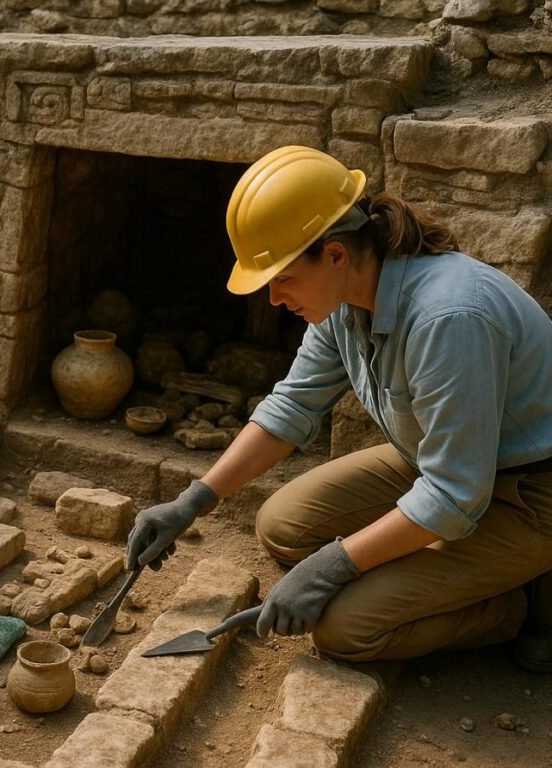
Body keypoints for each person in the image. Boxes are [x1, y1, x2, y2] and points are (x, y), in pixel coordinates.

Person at [126, 145, 552, 671]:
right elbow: (291, 406)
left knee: (342, 629)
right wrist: (193, 500)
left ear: (334, 254)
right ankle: (452, 572)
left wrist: (334, 564)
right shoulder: (345, 302)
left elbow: (453, 496)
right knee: (282, 527)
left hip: (531, 494)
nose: (274, 299)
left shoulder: (449, 318)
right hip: (440, 464)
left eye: (282, 278)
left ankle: (516, 604)